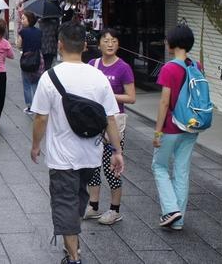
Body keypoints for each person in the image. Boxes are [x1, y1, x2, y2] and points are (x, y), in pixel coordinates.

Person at [30, 22, 123, 264]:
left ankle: (73, 256)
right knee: (79, 198)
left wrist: (35, 145)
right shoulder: (99, 76)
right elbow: (110, 118)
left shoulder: (49, 77)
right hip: (90, 155)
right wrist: (117, 151)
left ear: (60, 45)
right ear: (84, 46)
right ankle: (74, 243)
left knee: (65, 202)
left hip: (62, 157)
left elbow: (41, 118)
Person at [152, 24, 201, 230]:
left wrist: (157, 131)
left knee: (159, 166)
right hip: (191, 126)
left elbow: (164, 103)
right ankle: (178, 221)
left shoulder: (169, 68)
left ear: (171, 43)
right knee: (182, 171)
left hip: (171, 127)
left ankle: (171, 210)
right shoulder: (196, 66)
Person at [84, 28, 135, 226]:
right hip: (94, 121)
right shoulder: (92, 64)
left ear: (118, 44)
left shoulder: (123, 68)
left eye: (114, 40)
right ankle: (93, 205)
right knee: (93, 165)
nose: (110, 44)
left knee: (110, 166)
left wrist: (108, 95)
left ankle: (115, 210)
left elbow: (131, 98)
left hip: (114, 122)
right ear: (100, 44)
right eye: (106, 40)